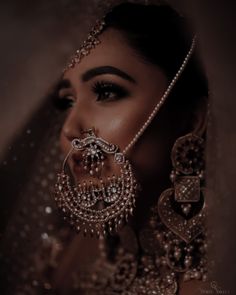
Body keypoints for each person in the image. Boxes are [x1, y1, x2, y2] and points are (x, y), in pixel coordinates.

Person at [0, 1, 209, 294]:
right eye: (67, 101)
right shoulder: (67, 247)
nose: (70, 129)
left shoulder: (216, 276)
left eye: (106, 91)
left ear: (189, 120)